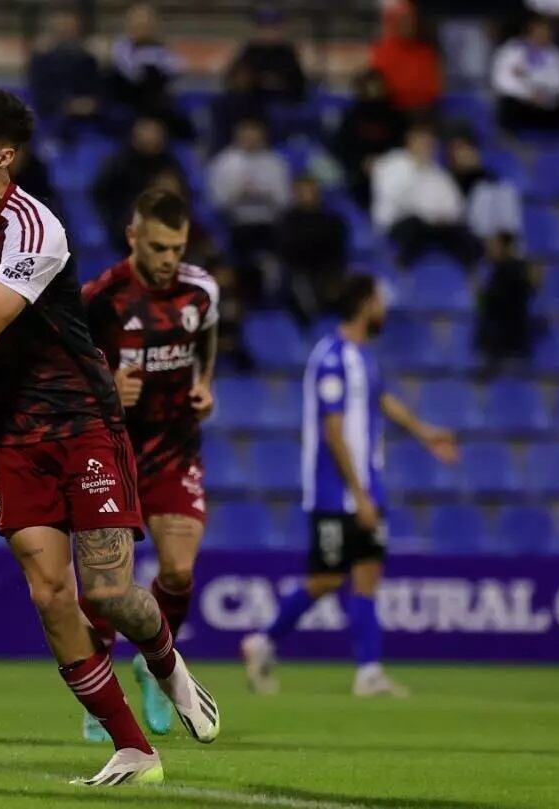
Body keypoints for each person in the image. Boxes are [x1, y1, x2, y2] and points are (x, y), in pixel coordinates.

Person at [0, 87, 220, 787]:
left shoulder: (34, 228)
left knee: (110, 591)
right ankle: (132, 747)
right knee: (48, 593)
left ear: (2, 156)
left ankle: (164, 659)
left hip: (81, 420)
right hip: (11, 435)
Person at [241, 274, 459, 698]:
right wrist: (358, 494)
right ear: (364, 304)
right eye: (379, 300)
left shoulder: (364, 358)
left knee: (368, 575)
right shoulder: (331, 358)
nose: (384, 309)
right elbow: (334, 432)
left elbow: (380, 399)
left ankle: (369, 672)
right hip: (333, 492)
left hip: (367, 489)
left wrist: (424, 431)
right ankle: (263, 641)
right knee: (325, 579)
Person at [79, 188, 219, 743]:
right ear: (133, 238)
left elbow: (207, 344)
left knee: (179, 571)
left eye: (176, 248)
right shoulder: (101, 298)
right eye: (158, 247)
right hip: (114, 450)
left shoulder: (201, 290)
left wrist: (206, 385)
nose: (167, 259)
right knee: (108, 586)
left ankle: (154, 667)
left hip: (175, 448)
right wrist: (107, 388)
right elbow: (72, 370)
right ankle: (98, 696)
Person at [371, 121, 481, 268]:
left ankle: (469, 279)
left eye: (430, 142)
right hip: (398, 224)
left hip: (433, 227)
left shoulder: (438, 174)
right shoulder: (390, 164)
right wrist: (416, 168)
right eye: (422, 141)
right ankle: (403, 273)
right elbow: (394, 197)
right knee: (416, 225)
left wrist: (444, 217)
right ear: (410, 140)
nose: (426, 146)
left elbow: (455, 205)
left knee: (465, 236)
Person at [208, 117, 290, 300]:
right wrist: (238, 194)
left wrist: (265, 193)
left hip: (268, 224)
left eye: (255, 133)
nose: (251, 137)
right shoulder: (223, 163)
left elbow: (285, 201)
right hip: (235, 224)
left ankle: (272, 295)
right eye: (246, 133)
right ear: (237, 134)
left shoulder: (275, 163)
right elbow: (216, 201)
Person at [91, 114, 185, 249]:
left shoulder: (170, 164)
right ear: (134, 135)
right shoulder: (118, 165)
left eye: (156, 132)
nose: (151, 137)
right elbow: (103, 200)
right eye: (147, 130)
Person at [107, 2, 194, 139]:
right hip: (125, 118)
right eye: (137, 25)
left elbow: (172, 82)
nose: (142, 29)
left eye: (146, 25)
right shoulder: (117, 54)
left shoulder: (167, 58)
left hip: (160, 117)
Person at [276, 176, 349, 325]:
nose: (309, 194)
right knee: (302, 287)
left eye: (312, 190)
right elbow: (288, 253)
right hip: (300, 272)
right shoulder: (288, 221)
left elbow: (338, 252)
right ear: (295, 194)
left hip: (328, 272)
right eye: (304, 191)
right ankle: (314, 324)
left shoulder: (332, 221)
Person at [333, 69, 408, 210]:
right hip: (358, 172)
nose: (373, 90)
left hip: (390, 170)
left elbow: (402, 146)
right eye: (369, 86)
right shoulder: (352, 116)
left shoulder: (396, 116)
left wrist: (383, 163)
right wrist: (361, 162)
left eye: (376, 86)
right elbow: (342, 146)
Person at [27, 9, 103, 133]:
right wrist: (68, 105)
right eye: (63, 32)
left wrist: (92, 104)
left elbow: (97, 93)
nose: (68, 36)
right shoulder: (42, 61)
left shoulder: (88, 60)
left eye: (72, 31)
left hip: (87, 121)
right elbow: (40, 96)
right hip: (53, 120)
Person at [445, 130, 523, 248]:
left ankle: (507, 244)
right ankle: (494, 243)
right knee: (483, 193)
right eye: (460, 150)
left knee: (505, 190)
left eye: (468, 148)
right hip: (466, 229)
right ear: (452, 155)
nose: (466, 154)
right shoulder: (447, 179)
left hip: (495, 228)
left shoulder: (488, 177)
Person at [475, 233, 541, 367]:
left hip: (507, 343)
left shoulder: (513, 269)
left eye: (494, 245)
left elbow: (491, 303)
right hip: (501, 343)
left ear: (506, 246)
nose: (489, 249)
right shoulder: (497, 270)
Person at [493, 14, 559, 132]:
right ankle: (507, 138)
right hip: (521, 104)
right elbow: (502, 82)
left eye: (546, 32)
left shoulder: (555, 53)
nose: (542, 35)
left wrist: (540, 90)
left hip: (547, 105)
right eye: (538, 31)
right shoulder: (512, 49)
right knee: (506, 104)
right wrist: (528, 95)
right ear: (529, 32)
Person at [369, 0, 442, 113]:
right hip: (390, 113)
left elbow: (433, 90)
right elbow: (378, 87)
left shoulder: (427, 52)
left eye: (411, 20)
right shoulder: (382, 51)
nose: (408, 25)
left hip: (423, 113)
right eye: (403, 20)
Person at [227, 6, 307, 103]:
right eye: (264, 26)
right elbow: (233, 79)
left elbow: (298, 86)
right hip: (252, 100)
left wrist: (276, 83)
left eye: (273, 27)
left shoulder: (287, 53)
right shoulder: (250, 51)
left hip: (281, 101)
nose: (268, 32)